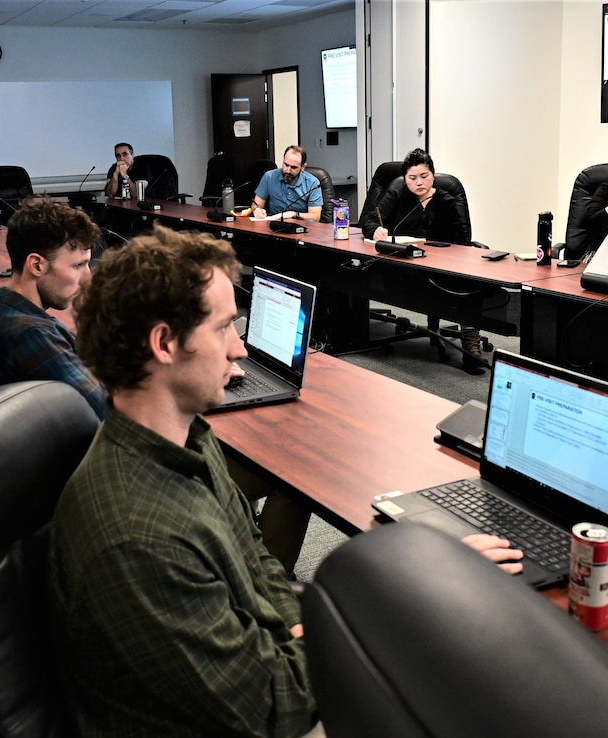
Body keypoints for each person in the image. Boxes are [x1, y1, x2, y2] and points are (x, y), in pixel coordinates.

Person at [48, 225, 523, 736]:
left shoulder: (185, 437)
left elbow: (252, 553)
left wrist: (295, 625)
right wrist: (413, 604)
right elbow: (273, 709)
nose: (241, 350)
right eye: (225, 328)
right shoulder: (138, 541)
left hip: (269, 671)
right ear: (164, 343)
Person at [0, 197, 107, 419]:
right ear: (37, 265)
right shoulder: (28, 333)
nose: (88, 277)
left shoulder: (11, 313)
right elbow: (106, 412)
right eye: (78, 265)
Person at [361, 148, 484, 371]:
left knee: (468, 279)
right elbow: (369, 222)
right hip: (404, 265)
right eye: (412, 178)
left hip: (440, 263)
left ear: (433, 175)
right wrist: (376, 230)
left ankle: (470, 344)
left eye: (424, 176)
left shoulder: (446, 200)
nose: (419, 182)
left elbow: (461, 241)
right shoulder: (397, 194)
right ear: (404, 178)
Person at [252, 145, 323, 221]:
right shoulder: (269, 177)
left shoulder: (313, 183)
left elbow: (315, 217)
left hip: (300, 227)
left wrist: (294, 214)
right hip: (274, 225)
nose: (288, 170)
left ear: (303, 167)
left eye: (293, 167)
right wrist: (257, 210)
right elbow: (256, 205)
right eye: (286, 165)